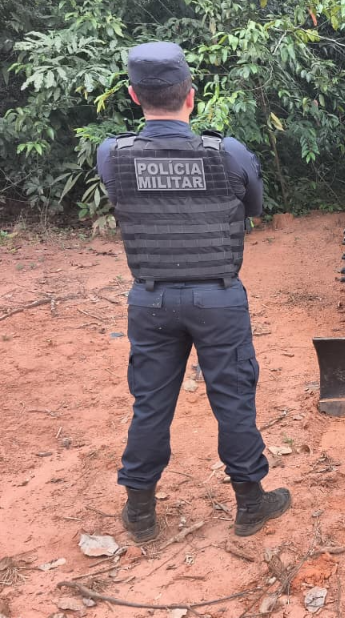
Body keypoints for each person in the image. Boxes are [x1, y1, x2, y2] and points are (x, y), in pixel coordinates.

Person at [97, 42, 290, 540]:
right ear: (192, 96)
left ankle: (139, 513)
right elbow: (254, 207)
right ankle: (251, 505)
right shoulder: (226, 152)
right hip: (219, 299)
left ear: (134, 97)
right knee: (233, 400)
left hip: (151, 300)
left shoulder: (112, 155)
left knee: (151, 404)